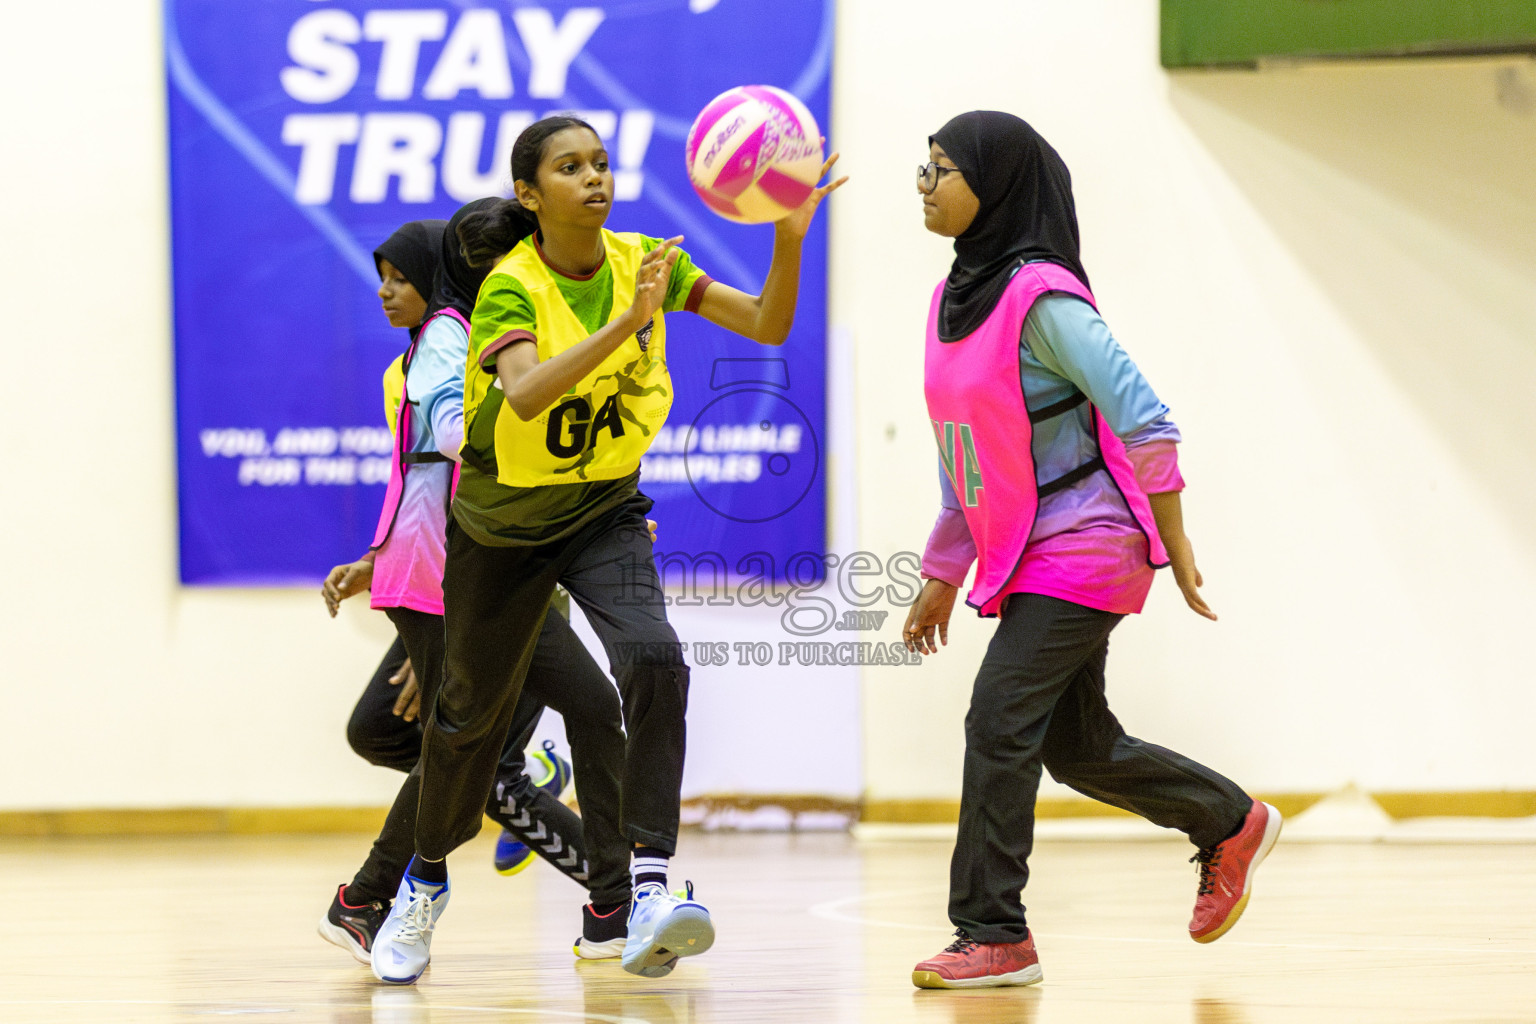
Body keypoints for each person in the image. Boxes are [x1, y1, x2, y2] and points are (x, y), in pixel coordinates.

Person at [367, 114, 845, 984]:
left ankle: (644, 889)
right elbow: (521, 395)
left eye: (602, 162)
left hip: (605, 509)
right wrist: (630, 325)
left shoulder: (646, 260)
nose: (595, 177)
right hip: (503, 529)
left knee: (655, 658)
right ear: (528, 193)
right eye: (570, 167)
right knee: (466, 726)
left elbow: (768, 323)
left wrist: (788, 237)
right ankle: (423, 883)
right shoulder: (512, 286)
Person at [901, 111, 1281, 991]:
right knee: (1075, 746)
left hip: (1090, 544)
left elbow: (1146, 417)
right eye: (920, 169)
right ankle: (1227, 820)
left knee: (997, 718)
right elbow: (966, 454)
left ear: (993, 186)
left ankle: (993, 933)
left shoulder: (1044, 298)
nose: (924, 185)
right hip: (1028, 551)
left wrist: (1175, 542)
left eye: (941, 169)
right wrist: (940, 572)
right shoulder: (952, 299)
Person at [317, 212, 635, 970]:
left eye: (399, 278)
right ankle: (374, 896)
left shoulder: (466, 340)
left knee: (480, 739)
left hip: (470, 577)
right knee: (439, 742)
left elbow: (444, 467)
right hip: (455, 578)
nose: (387, 293)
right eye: (382, 280)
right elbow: (449, 462)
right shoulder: (445, 345)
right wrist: (395, 576)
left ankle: (615, 894)